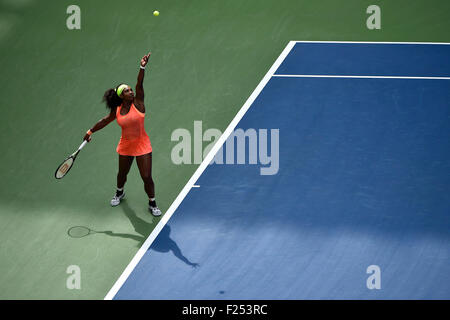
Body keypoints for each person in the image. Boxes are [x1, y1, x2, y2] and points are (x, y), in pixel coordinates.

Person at [83, 52, 162, 216]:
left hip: (142, 145)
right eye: (127, 91)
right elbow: (105, 120)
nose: (131, 91)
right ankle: (119, 192)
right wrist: (90, 131)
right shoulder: (117, 110)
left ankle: (152, 202)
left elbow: (140, 83)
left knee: (146, 176)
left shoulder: (139, 103)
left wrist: (142, 66)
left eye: (131, 90)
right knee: (122, 174)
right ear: (121, 95)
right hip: (125, 145)